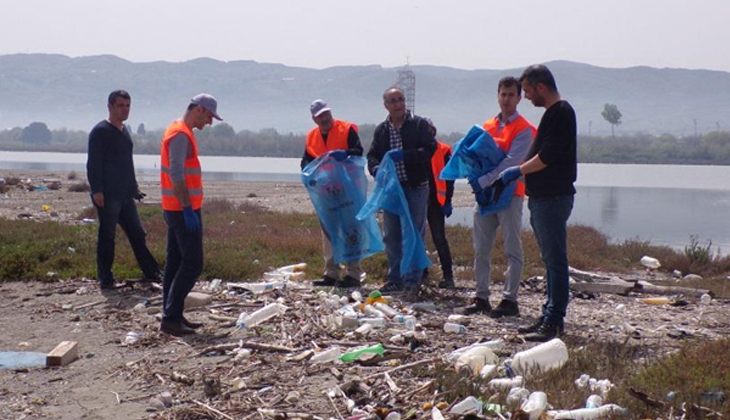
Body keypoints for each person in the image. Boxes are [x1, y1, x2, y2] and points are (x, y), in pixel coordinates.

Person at [497, 65, 577, 341]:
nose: (527, 97)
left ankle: (554, 320)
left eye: (528, 91)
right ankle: (547, 314)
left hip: (554, 197)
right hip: (543, 197)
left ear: (541, 87)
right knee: (549, 259)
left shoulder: (562, 114)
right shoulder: (552, 114)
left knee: (555, 261)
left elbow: (547, 156)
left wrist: (517, 171)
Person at [462, 77, 536, 318]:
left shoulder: (524, 129)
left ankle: (509, 299)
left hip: (510, 194)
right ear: (498, 96)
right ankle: (481, 297)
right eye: (503, 95)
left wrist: (487, 179)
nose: (506, 99)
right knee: (481, 249)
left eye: (511, 95)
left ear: (519, 98)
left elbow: (513, 160)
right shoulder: (487, 126)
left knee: (512, 248)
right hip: (485, 197)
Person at [158, 93, 222, 336]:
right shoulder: (180, 134)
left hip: (178, 208)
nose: (210, 122)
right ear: (198, 110)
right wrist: (187, 207)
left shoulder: (181, 130)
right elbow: (176, 173)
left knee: (175, 263)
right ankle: (170, 317)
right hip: (180, 209)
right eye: (209, 116)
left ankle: (172, 314)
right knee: (193, 263)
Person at [86, 90, 160, 290]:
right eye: (121, 105)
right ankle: (105, 278)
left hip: (125, 194)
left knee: (137, 233)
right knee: (107, 236)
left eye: (128, 105)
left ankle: (152, 272)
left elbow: (127, 163)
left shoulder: (124, 131)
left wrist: (134, 187)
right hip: (108, 195)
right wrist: (97, 190)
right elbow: (93, 164)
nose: (125, 109)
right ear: (110, 107)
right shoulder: (100, 131)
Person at [367, 87, 436, 294]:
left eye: (401, 100)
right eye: (393, 101)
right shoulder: (382, 130)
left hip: (416, 186)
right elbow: (372, 156)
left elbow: (429, 150)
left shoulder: (418, 125)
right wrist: (377, 169)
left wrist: (405, 155)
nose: (398, 104)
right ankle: (395, 277)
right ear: (385, 105)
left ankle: (413, 279)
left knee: (414, 233)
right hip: (392, 191)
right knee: (392, 234)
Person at [302, 99, 364, 288]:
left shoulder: (346, 129)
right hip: (326, 191)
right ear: (314, 119)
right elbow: (306, 161)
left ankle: (354, 274)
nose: (325, 118)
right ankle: (331, 273)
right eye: (320, 116)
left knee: (351, 230)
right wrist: (308, 175)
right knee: (329, 231)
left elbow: (359, 152)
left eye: (327, 113)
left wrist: (345, 154)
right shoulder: (311, 137)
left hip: (349, 189)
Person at [423, 118, 455, 289]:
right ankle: (422, 274)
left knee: (439, 239)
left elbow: (450, 178)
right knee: (418, 239)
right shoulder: (418, 150)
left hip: (436, 201)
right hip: (419, 199)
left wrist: (448, 200)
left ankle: (448, 276)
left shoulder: (443, 150)